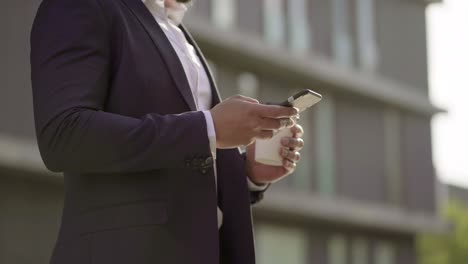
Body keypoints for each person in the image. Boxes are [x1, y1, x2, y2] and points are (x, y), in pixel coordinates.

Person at [30, 0, 305, 263]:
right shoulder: (79, 5)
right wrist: (208, 128)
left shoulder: (175, 29)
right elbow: (63, 133)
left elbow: (187, 159)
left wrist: (248, 175)